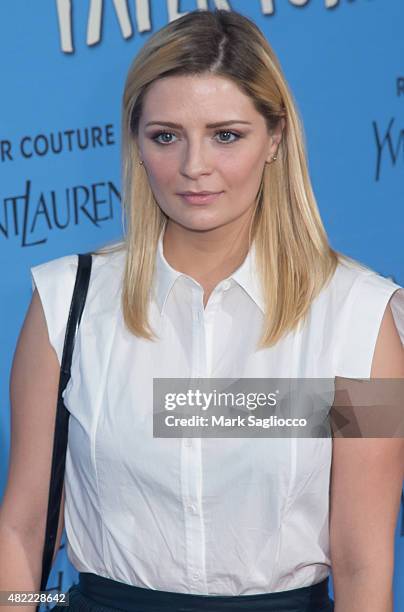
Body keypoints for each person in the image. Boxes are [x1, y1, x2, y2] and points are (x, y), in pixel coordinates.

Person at [1, 8, 403, 612]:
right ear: (136, 143)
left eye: (226, 135)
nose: (194, 166)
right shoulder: (66, 304)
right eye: (166, 135)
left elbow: (363, 559)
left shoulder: (360, 320)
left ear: (276, 138)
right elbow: (24, 530)